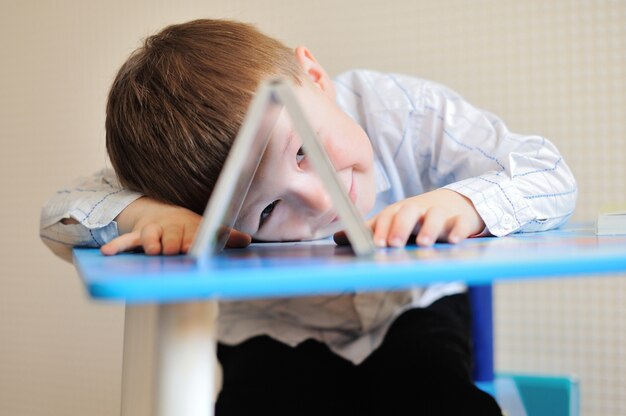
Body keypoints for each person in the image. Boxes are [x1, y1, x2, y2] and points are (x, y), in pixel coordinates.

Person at [40, 19, 577, 415]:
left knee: (433, 399)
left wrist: (466, 203)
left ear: (315, 77)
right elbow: (61, 213)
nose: (319, 200)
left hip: (413, 310)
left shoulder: (404, 112)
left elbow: (549, 173)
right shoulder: (182, 182)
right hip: (275, 327)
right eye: (268, 208)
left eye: (306, 152)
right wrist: (147, 213)